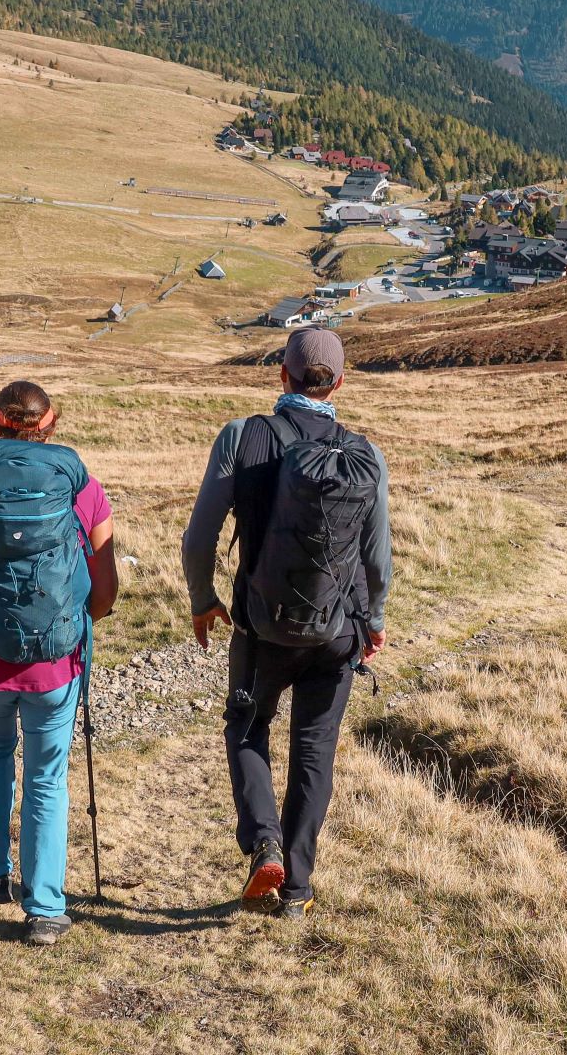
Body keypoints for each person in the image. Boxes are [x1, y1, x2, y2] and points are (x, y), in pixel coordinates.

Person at [181, 327, 391, 918]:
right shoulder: (363, 454)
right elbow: (378, 556)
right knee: (315, 751)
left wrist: (204, 599)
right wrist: (372, 620)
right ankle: (297, 888)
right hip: (337, 629)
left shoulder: (241, 437)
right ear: (340, 384)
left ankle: (264, 843)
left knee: (247, 726)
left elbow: (199, 538)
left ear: (283, 377)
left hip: (260, 626)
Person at [0, 381, 118, 946]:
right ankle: (45, 907)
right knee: (46, 775)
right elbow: (104, 593)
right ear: (50, 421)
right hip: (56, 661)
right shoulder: (85, 492)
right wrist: (74, 618)